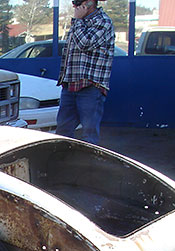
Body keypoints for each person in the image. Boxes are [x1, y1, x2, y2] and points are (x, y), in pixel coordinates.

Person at [56, 0, 115, 145]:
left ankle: (89, 166)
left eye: (77, 3)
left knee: (89, 135)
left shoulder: (103, 22)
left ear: (89, 3)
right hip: (70, 86)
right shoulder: (79, 23)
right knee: (63, 131)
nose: (74, 6)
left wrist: (77, 20)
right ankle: (62, 163)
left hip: (90, 87)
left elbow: (85, 43)